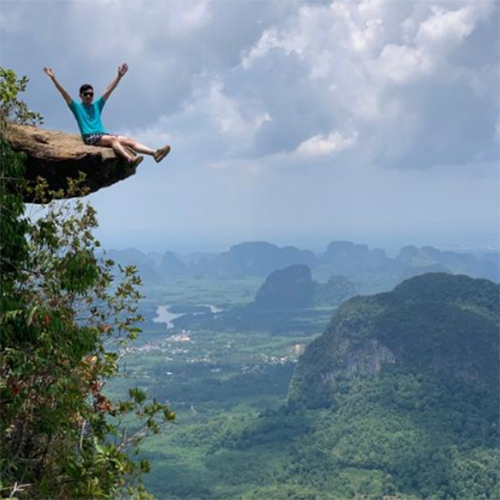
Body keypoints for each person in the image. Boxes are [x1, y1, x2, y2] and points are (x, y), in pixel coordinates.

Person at [43, 64, 170, 167]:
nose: (89, 96)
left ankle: (155, 153)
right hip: (90, 137)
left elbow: (108, 91)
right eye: (86, 94)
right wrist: (53, 79)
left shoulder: (97, 105)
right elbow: (64, 94)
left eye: (91, 94)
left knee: (129, 140)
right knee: (113, 140)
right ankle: (130, 159)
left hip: (103, 135)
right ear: (80, 95)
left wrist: (119, 77)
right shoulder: (77, 107)